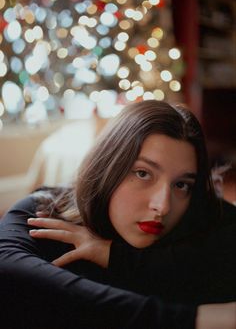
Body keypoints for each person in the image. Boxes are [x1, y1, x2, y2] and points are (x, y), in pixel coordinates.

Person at [0, 100, 235, 329]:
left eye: (181, 185)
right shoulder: (41, 212)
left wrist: (114, 256)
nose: (162, 206)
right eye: (143, 173)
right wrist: (194, 320)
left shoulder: (205, 223)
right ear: (108, 165)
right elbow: (9, 276)